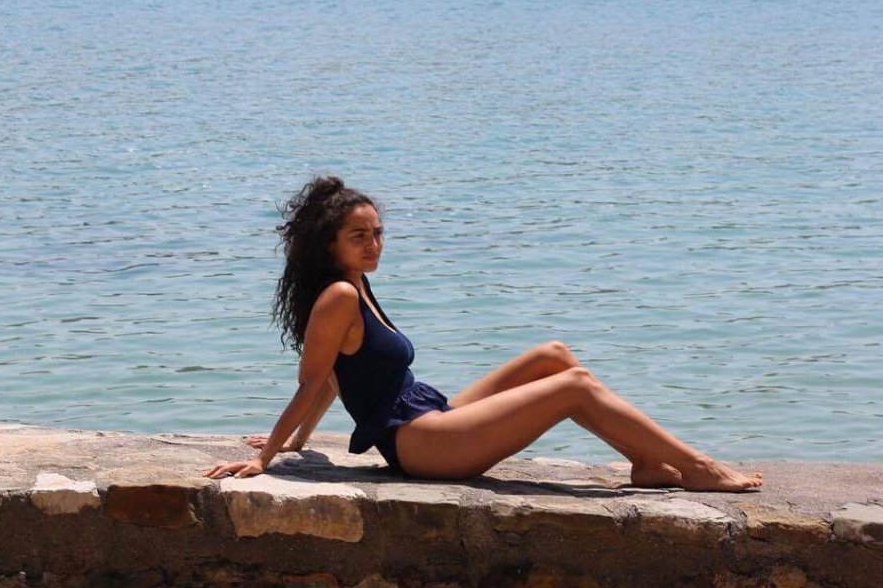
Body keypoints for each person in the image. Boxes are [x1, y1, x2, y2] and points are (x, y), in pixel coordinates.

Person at [204, 178, 763, 490]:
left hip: (426, 414)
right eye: (359, 236)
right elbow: (311, 381)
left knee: (553, 356)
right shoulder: (339, 297)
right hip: (419, 444)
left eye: (378, 233)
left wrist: (300, 444)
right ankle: (699, 468)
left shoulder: (356, 285)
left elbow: (335, 377)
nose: (374, 244)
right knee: (576, 386)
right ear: (330, 244)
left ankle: (644, 461)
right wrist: (268, 458)